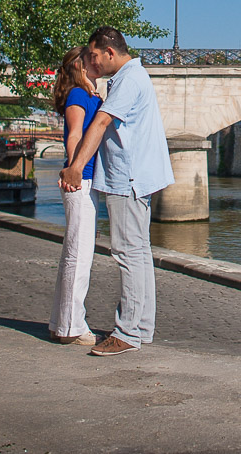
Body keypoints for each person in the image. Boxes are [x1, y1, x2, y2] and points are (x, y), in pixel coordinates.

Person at [60, 26, 175, 356]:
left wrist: (75, 167)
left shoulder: (127, 80)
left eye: (94, 55)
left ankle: (127, 333)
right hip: (137, 177)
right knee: (139, 253)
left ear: (110, 52)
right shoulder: (135, 77)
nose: (92, 62)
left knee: (128, 254)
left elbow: (99, 124)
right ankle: (142, 327)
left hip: (129, 178)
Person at [48, 46, 104, 346]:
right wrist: (75, 170)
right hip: (81, 178)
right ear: (80, 66)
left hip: (83, 177)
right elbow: (74, 134)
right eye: (91, 59)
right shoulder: (78, 95)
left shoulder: (85, 95)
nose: (97, 63)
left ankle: (61, 322)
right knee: (79, 255)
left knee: (74, 253)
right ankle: (72, 326)